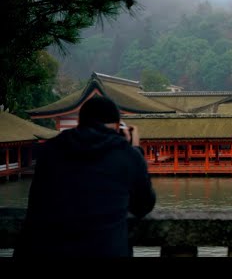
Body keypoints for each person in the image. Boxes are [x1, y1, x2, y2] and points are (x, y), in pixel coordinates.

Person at [13, 96, 156, 257]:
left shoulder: (50, 150)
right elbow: (143, 206)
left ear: (80, 122)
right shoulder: (127, 154)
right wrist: (136, 149)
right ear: (117, 127)